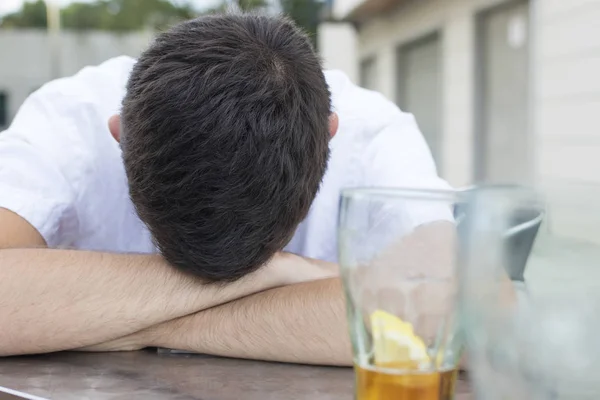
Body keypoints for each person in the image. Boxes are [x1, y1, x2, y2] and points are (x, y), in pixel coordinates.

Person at [0, 13, 451, 364]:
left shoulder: (374, 133)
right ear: (119, 137)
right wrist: (278, 275)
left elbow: (469, 316)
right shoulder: (69, 119)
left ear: (330, 134)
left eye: (260, 266)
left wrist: (124, 326)